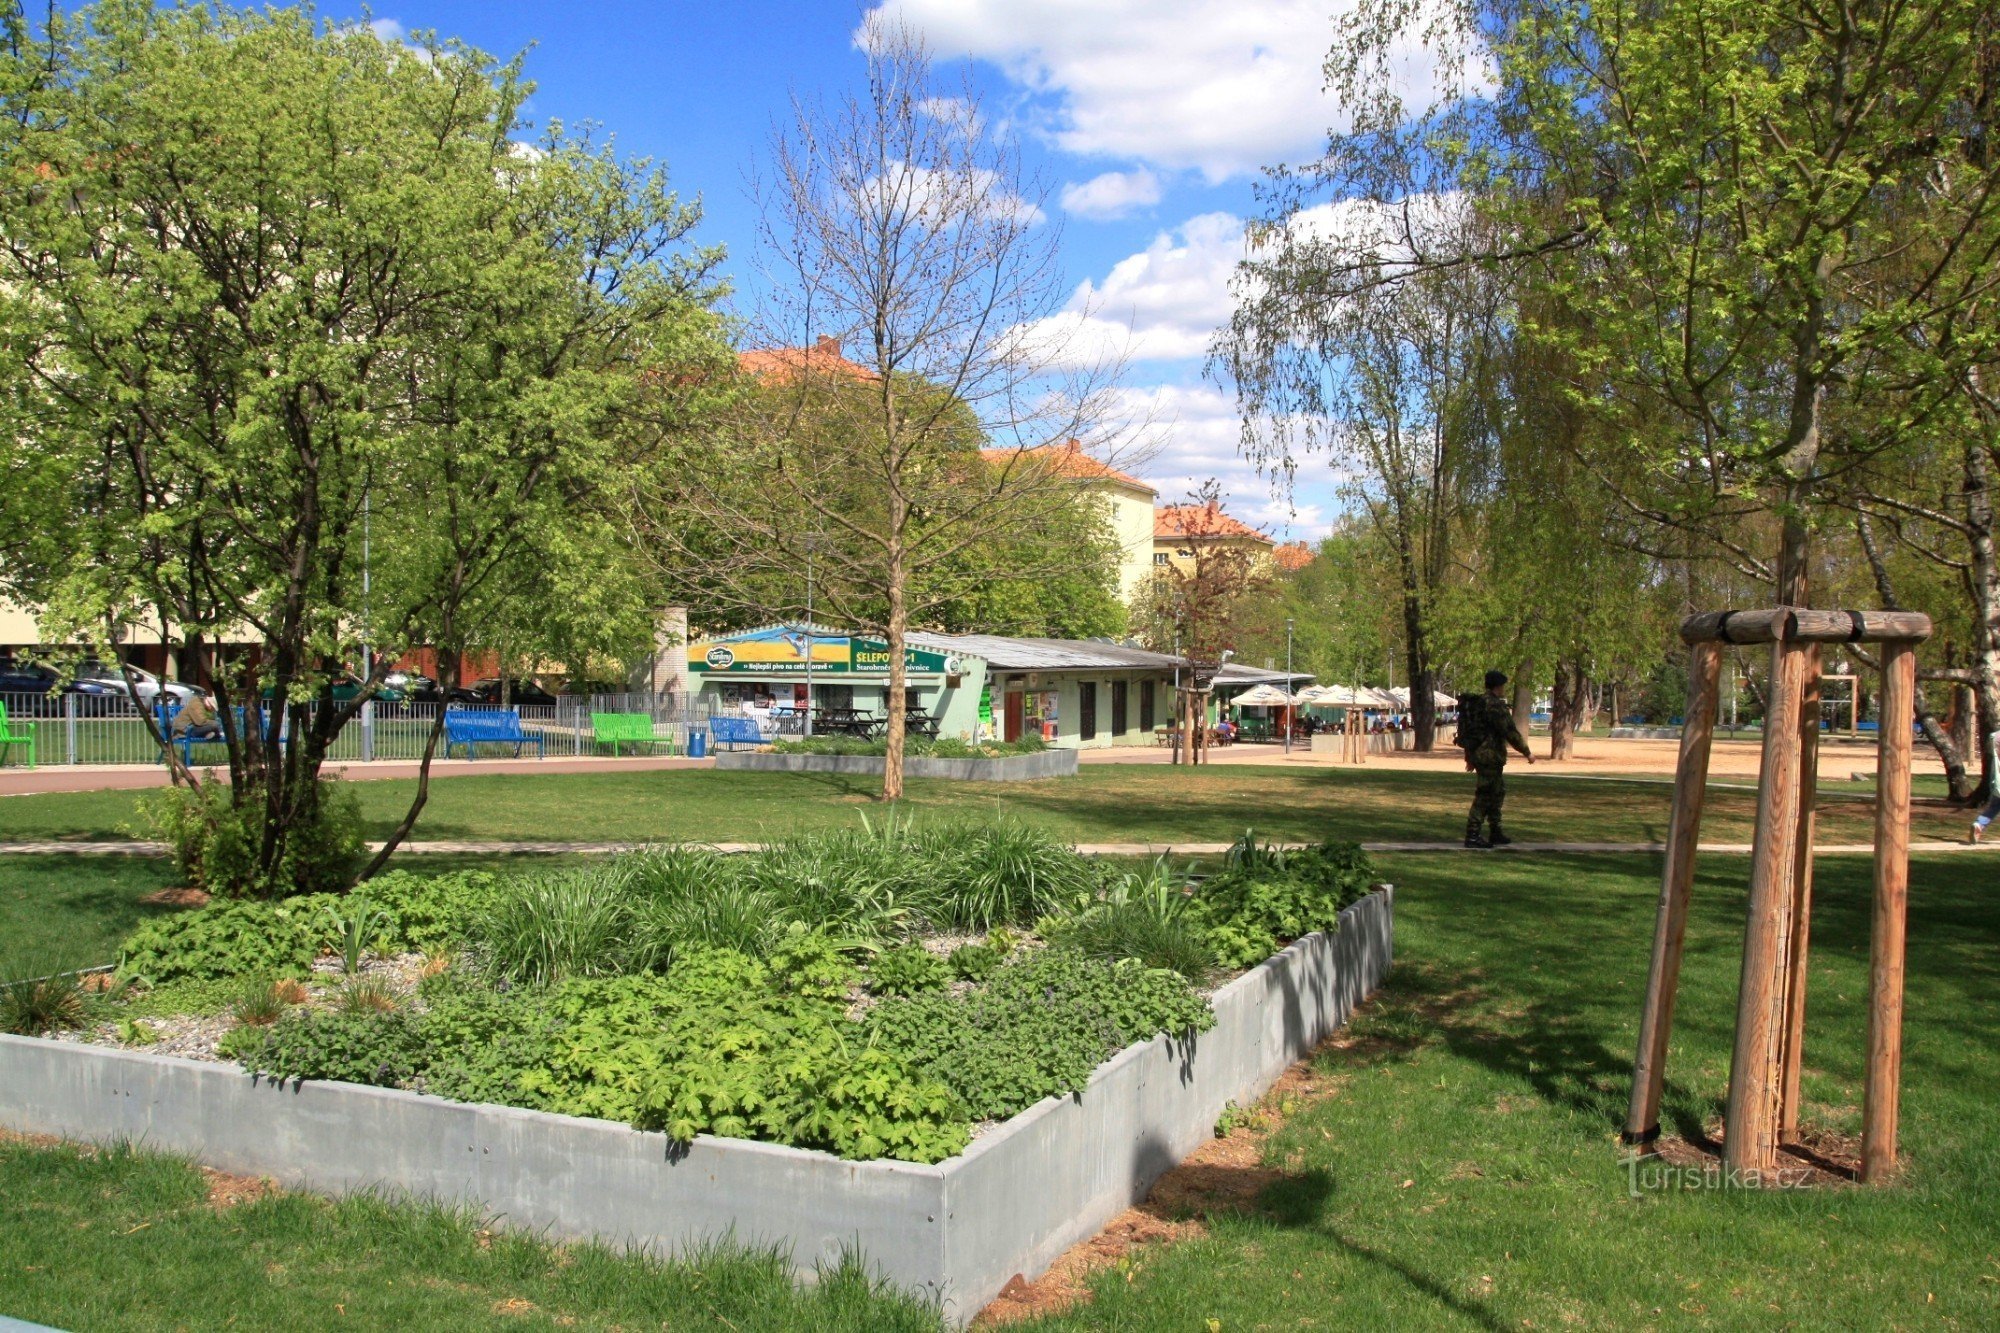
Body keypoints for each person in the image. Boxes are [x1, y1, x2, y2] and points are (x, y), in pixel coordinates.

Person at [1461, 669, 1534, 849]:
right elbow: (1509, 731)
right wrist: (1527, 752)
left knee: (1497, 792)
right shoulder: (1494, 705)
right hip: (1490, 757)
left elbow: (1471, 731)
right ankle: (1472, 835)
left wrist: (1469, 756)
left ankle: (1495, 831)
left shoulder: (1478, 703)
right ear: (1499, 686)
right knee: (1485, 795)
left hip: (1480, 755)